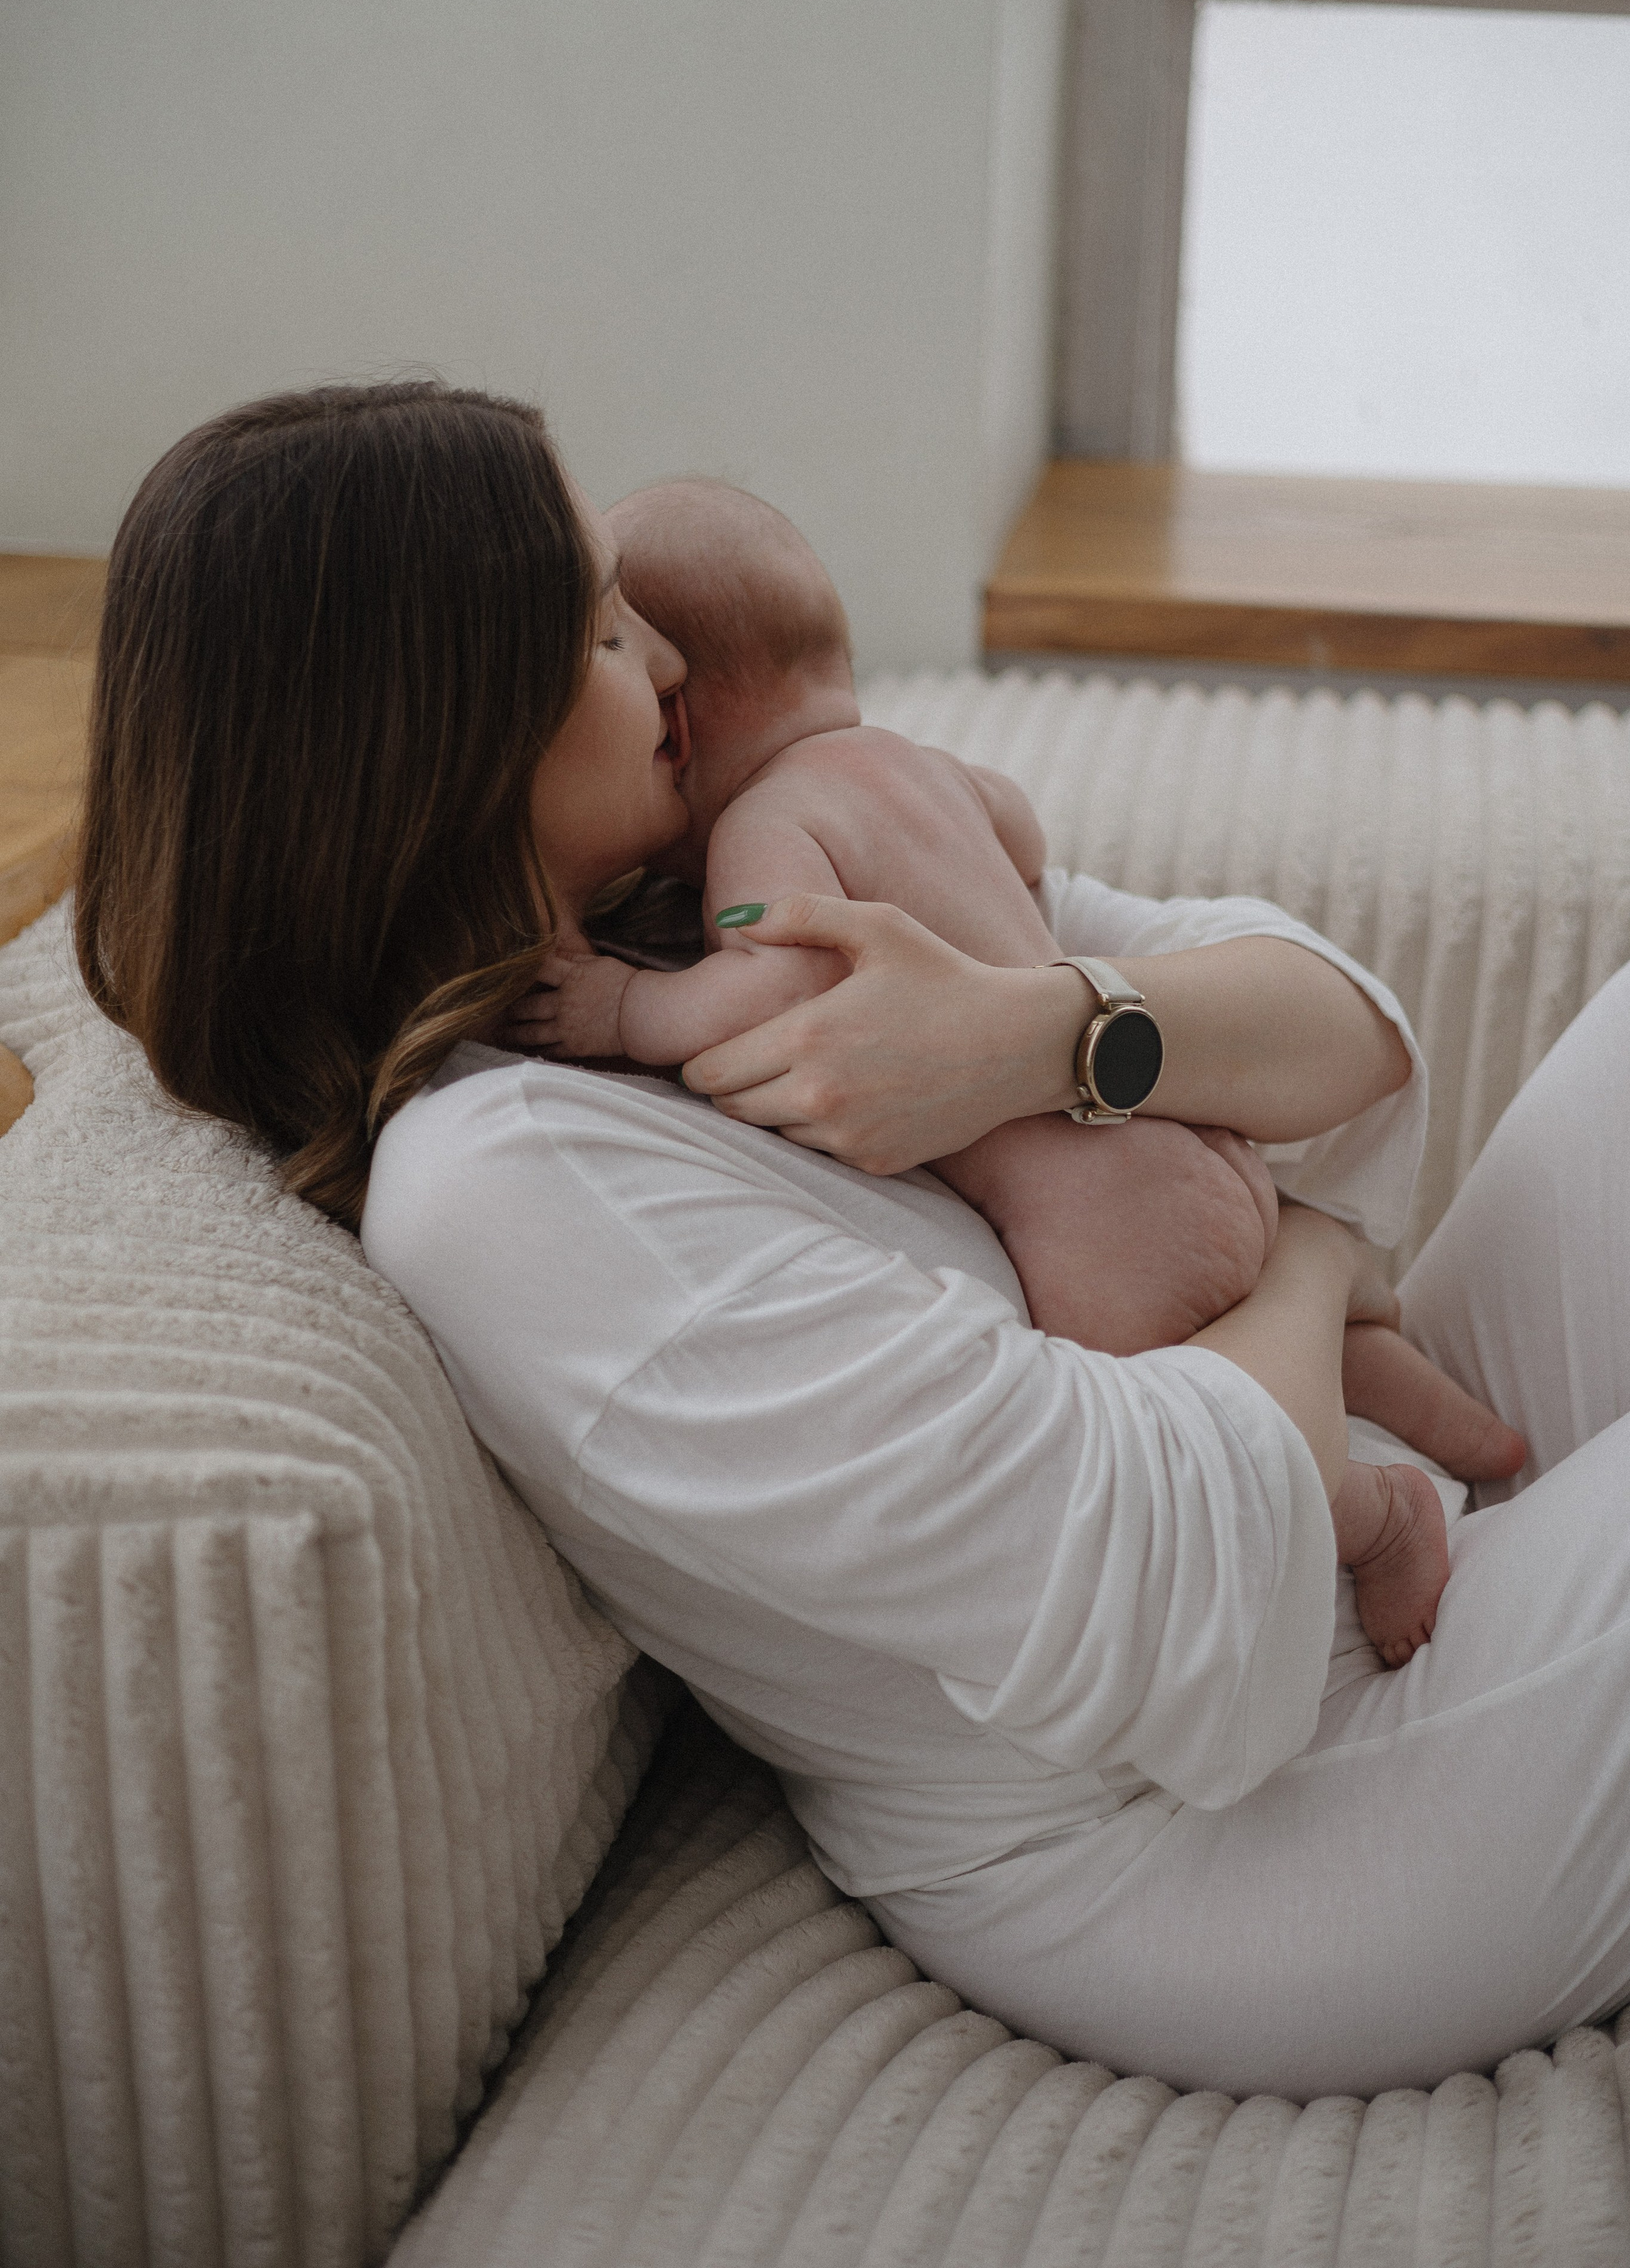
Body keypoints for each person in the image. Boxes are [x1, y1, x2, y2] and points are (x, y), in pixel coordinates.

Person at [74, 379, 1630, 2102]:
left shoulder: (716, 896)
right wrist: (1312, 1263)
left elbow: (1340, 1031)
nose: (673, 658)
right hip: (1245, 1814)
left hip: (1341, 1496)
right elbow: (1180, 1568)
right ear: (439, 735)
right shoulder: (518, 1187)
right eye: (603, 629)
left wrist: (1036, 1033)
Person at [500, 477, 1523, 1665]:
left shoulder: (764, 828)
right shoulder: (919, 769)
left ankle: (1375, 1513)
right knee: (1283, 1320)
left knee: (1179, 1397)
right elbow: (1025, 836)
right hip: (1196, 1142)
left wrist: (627, 1008)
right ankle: (1468, 1430)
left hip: (1103, 1228)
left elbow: (774, 983)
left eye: (632, 640)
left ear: (685, 718)